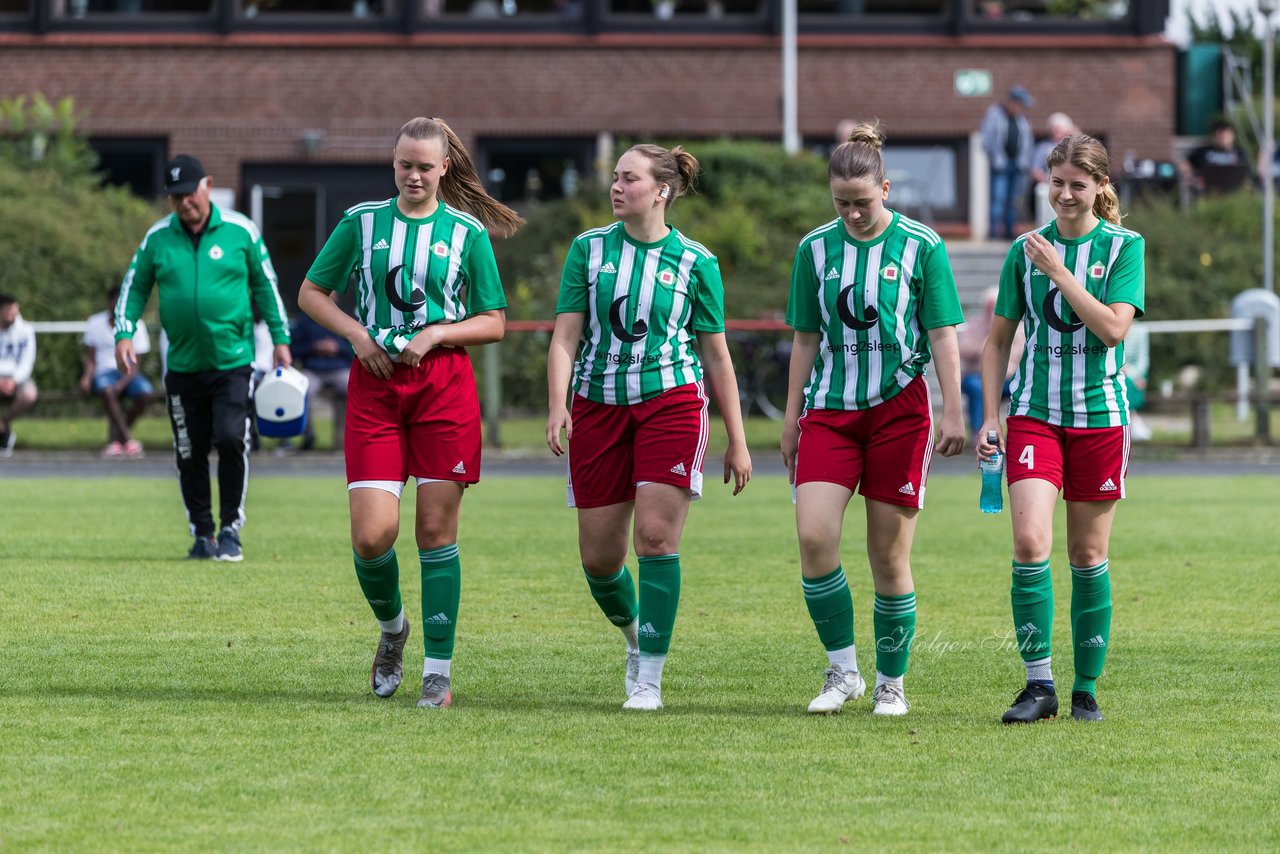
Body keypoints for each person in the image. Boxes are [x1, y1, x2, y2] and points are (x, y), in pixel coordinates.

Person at [297, 116, 522, 710]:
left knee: (434, 532)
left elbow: (494, 321)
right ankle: (394, 631)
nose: (414, 175)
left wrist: (438, 334)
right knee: (373, 538)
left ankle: (438, 673)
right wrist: (358, 336)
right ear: (392, 163)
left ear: (445, 167)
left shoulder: (466, 233)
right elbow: (312, 293)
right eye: (405, 164)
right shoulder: (362, 224)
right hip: (374, 387)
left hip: (443, 387)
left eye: (425, 166)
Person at [546, 142, 751, 712]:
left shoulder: (696, 261)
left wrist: (737, 439)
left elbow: (716, 356)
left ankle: (650, 678)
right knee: (599, 560)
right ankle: (635, 637)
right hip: (597, 407)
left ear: (661, 191)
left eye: (629, 178)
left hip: (671, 406)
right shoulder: (587, 250)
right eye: (614, 177)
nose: (616, 186)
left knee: (655, 540)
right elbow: (565, 337)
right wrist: (558, 403)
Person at [782, 121, 966, 717]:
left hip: (899, 414)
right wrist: (791, 418)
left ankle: (892, 682)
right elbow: (805, 340)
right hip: (830, 413)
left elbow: (941, 334)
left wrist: (953, 410)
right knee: (814, 538)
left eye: (863, 202)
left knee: (888, 556)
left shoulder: (922, 245)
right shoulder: (814, 249)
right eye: (842, 203)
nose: (853, 214)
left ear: (885, 188)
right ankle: (843, 673)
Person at [976, 133, 1145, 725]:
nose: (1066, 194)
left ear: (1100, 187)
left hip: (1101, 419)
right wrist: (990, 415)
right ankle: (1038, 684)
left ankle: (1086, 690)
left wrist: (1060, 271)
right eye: (1058, 183)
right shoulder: (1023, 251)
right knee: (1028, 545)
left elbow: (1113, 331)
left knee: (1088, 554)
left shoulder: (1124, 247)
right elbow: (997, 343)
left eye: (1078, 184)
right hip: (1034, 417)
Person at [115, 154, 293, 562]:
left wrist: (280, 338)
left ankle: (230, 529)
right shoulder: (157, 238)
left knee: (232, 439)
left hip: (232, 360)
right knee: (188, 450)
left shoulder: (240, 231)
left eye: (189, 193)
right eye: (175, 197)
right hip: (181, 364)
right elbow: (134, 288)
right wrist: (124, 332)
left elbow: (266, 287)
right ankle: (202, 533)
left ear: (207, 185)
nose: (183, 203)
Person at [81, 286, 153, 458]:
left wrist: (121, 384)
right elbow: (90, 358)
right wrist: (87, 377)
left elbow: (135, 363)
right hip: (104, 371)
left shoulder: (137, 324)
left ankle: (117, 439)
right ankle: (127, 440)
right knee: (107, 389)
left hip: (127, 372)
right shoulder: (95, 323)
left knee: (145, 392)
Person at [958, 286, 1024, 438]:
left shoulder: (1018, 330)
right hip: (977, 376)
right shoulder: (974, 326)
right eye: (990, 308)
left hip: (1008, 379)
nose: (993, 313)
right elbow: (965, 351)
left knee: (1021, 390)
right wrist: (988, 339)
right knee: (976, 387)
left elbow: (1021, 357)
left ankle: (1017, 433)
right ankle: (978, 432)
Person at [289, 311, 354, 451]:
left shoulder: (345, 319)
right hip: (313, 370)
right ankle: (308, 437)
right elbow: (293, 350)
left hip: (339, 369)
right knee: (301, 391)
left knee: (357, 388)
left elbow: (357, 348)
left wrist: (338, 347)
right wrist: (314, 347)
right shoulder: (303, 322)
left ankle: (350, 439)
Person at [980, 86, 1036, 240]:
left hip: (1017, 166)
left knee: (1013, 201)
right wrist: (992, 156)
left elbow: (1027, 142)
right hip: (1000, 165)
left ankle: (1009, 232)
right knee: (998, 198)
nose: (1021, 109)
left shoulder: (1021, 120)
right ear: (1012, 102)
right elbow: (987, 139)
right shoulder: (995, 115)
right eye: (1019, 104)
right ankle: (993, 233)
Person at [0, 293, 38, 458]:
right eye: (9, 311)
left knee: (29, 394)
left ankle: (3, 425)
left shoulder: (25, 330)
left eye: (15, 311)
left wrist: (14, 380)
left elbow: (27, 362)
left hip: (16, 378)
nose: (13, 315)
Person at [1030, 112, 1077, 224]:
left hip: (1070, 182)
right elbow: (1035, 169)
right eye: (1054, 129)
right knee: (1041, 190)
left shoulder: (1075, 146)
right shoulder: (1043, 147)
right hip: (1048, 182)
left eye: (1059, 129)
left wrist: (1076, 134)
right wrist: (1048, 180)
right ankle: (1044, 224)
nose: (1056, 132)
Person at [1183, 119, 1251, 194]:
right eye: (1220, 135)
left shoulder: (1239, 153)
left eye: (1226, 135)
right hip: (1208, 190)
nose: (1223, 138)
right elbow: (1185, 163)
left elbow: (1245, 172)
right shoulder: (1204, 151)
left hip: (1232, 189)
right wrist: (1190, 176)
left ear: (1232, 135)